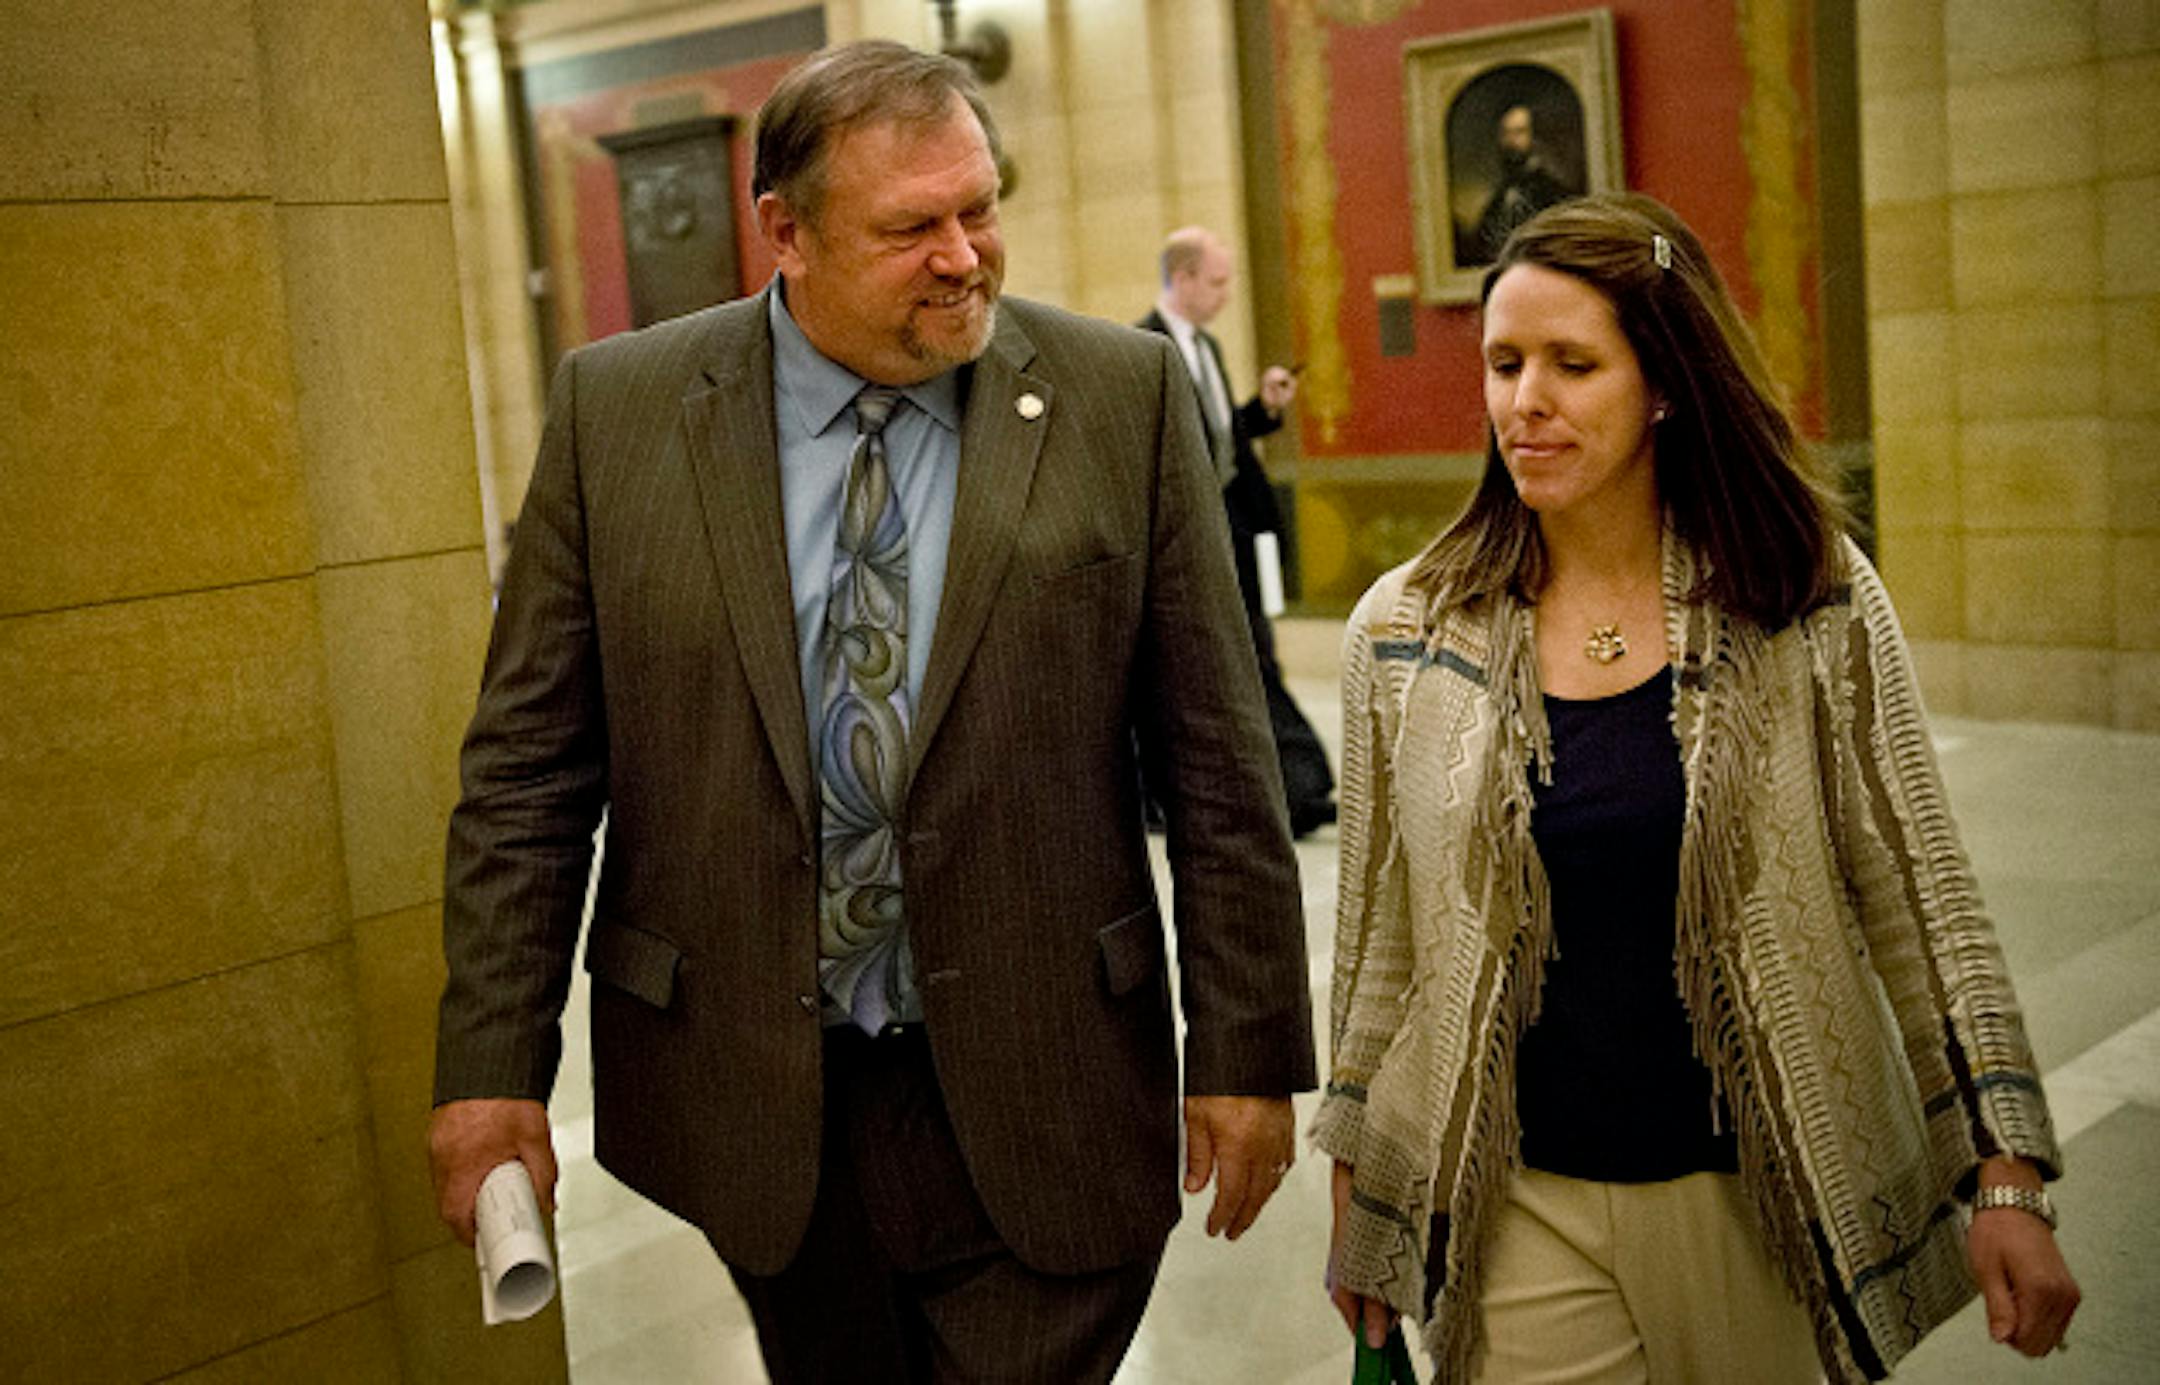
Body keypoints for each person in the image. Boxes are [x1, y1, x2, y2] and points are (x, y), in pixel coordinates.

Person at [428, 40, 1316, 1384]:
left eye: (980, 208)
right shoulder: (621, 416)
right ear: (784, 232)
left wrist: (1247, 1048)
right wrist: (491, 1067)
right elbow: (528, 777)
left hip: (1051, 1073)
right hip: (761, 1097)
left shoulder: (1113, 399)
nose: (964, 257)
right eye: (912, 228)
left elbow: (1217, 760)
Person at [1318, 192, 2078, 1383]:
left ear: (1665, 383)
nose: (1526, 400)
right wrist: (1359, 1181)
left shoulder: (1802, 597)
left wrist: (2005, 1168)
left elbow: (1921, 897)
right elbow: (1382, 946)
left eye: (1573, 364)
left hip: (1758, 1198)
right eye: (1506, 364)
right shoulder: (1407, 628)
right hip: (1521, 1204)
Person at [1140, 226, 1336, 836]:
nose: (1226, 294)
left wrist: (1262, 409)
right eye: (1217, 282)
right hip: (1190, 540)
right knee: (1235, 661)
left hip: (1237, 529)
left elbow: (1219, 440)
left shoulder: (1208, 348)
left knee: (1255, 655)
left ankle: (1297, 786)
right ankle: (1296, 786)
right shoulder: (1144, 348)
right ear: (1184, 278)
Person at [1468, 104, 1575, 264]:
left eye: (1519, 132)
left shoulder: (1553, 192)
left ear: (1535, 137)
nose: (1511, 141)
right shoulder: (1500, 196)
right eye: (1506, 133)